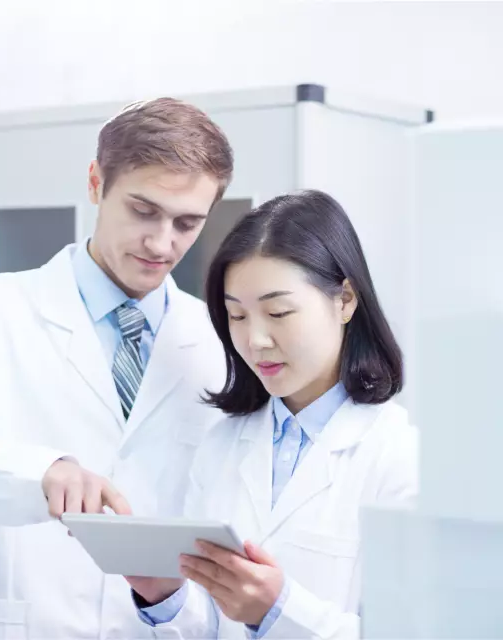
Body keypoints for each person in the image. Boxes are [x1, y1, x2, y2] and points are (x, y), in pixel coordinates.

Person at [0, 98, 233, 638]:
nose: (162, 243)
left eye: (187, 223)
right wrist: (35, 474)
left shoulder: (219, 342)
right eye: (143, 210)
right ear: (95, 182)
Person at [128, 190, 419, 639]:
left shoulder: (399, 454)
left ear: (343, 300)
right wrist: (164, 599)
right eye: (236, 316)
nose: (255, 340)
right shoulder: (221, 444)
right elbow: (210, 625)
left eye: (278, 312)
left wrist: (278, 611)